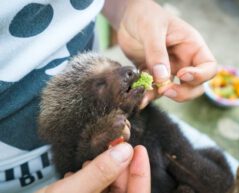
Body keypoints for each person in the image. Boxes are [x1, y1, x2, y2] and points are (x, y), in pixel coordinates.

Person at [0, 0, 217, 192]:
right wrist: (97, 140)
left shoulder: (140, 112)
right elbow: (78, 158)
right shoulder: (70, 140)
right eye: (101, 84)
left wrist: (130, 8)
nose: (127, 71)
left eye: (115, 65)